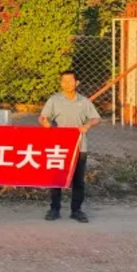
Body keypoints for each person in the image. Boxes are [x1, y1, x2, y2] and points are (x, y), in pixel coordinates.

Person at [39, 70, 100, 223]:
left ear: (76, 83)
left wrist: (87, 125)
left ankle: (76, 210)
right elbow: (43, 117)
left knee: (78, 180)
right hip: (59, 147)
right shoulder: (54, 100)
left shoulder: (84, 101)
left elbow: (95, 118)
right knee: (56, 178)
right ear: (61, 83)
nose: (67, 84)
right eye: (64, 81)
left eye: (70, 81)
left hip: (79, 146)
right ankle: (54, 209)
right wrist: (44, 122)